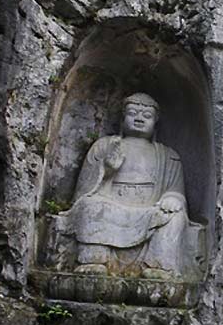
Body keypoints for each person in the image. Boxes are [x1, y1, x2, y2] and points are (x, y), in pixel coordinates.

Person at [60, 93, 202, 279]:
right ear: (122, 117)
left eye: (147, 116)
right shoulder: (105, 146)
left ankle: (158, 266)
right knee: (89, 207)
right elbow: (84, 190)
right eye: (133, 113)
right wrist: (107, 169)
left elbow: (176, 191)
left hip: (149, 210)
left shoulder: (168, 156)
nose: (139, 118)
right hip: (110, 203)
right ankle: (95, 260)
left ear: (155, 122)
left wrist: (172, 198)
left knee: (175, 217)